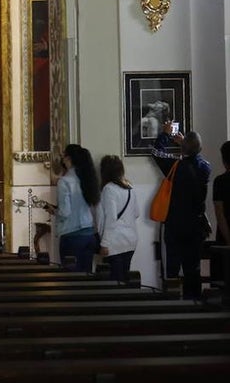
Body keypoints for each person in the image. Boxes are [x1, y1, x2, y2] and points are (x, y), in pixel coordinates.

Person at [152, 127, 212, 299]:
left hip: (174, 224)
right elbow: (195, 155)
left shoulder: (176, 166)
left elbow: (157, 152)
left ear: (183, 148)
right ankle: (193, 303)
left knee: (171, 268)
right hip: (195, 225)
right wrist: (185, 145)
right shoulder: (205, 167)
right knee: (192, 269)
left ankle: (171, 303)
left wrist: (165, 133)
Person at [53, 144, 100, 273]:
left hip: (72, 236)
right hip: (89, 235)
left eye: (63, 157)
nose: (62, 160)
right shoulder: (87, 178)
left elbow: (65, 212)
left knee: (71, 279)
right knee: (86, 278)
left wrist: (54, 211)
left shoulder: (65, 181)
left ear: (69, 159)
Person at [97, 155, 139, 283]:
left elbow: (110, 219)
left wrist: (104, 243)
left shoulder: (109, 189)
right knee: (125, 278)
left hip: (114, 242)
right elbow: (137, 213)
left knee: (114, 281)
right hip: (131, 240)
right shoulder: (129, 187)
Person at [212, 141, 230, 285]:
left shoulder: (220, 181)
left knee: (223, 280)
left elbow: (219, 213)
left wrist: (228, 239)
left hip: (225, 234)